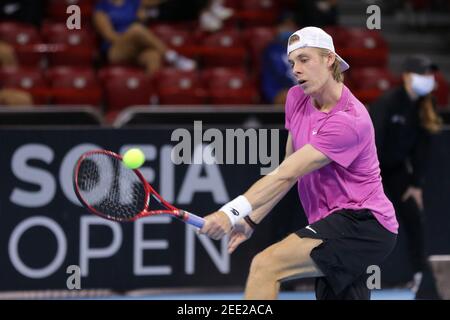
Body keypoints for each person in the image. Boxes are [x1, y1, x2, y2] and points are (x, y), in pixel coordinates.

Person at [199, 26, 398, 300]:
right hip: (332, 223)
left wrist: (228, 213)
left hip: (363, 223)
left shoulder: (349, 121)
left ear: (329, 59)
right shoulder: (296, 98)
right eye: (292, 62)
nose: (296, 69)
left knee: (265, 266)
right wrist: (250, 218)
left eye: (304, 59)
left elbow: (284, 174)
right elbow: (289, 170)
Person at [369, 55, 443, 300]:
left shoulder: (426, 105)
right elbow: (372, 142)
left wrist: (416, 184)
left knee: (413, 216)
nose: (428, 79)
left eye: (429, 75)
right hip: (372, 170)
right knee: (368, 220)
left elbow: (423, 149)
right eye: (422, 74)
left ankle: (420, 275)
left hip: (399, 171)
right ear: (407, 77)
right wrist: (369, 183)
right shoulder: (388, 102)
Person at [93, 0, 196, 75]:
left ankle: (149, 95)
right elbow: (109, 35)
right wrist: (130, 37)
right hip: (115, 48)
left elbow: (150, 3)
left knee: (153, 56)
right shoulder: (102, 7)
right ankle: (172, 56)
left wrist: (142, 17)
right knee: (136, 29)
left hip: (136, 48)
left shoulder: (131, 2)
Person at [261, 13, 298, 105]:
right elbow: (268, 79)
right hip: (282, 96)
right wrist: (274, 95)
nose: (287, 28)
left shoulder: (306, 50)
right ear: (278, 28)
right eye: (284, 25)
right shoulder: (271, 51)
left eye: (290, 25)